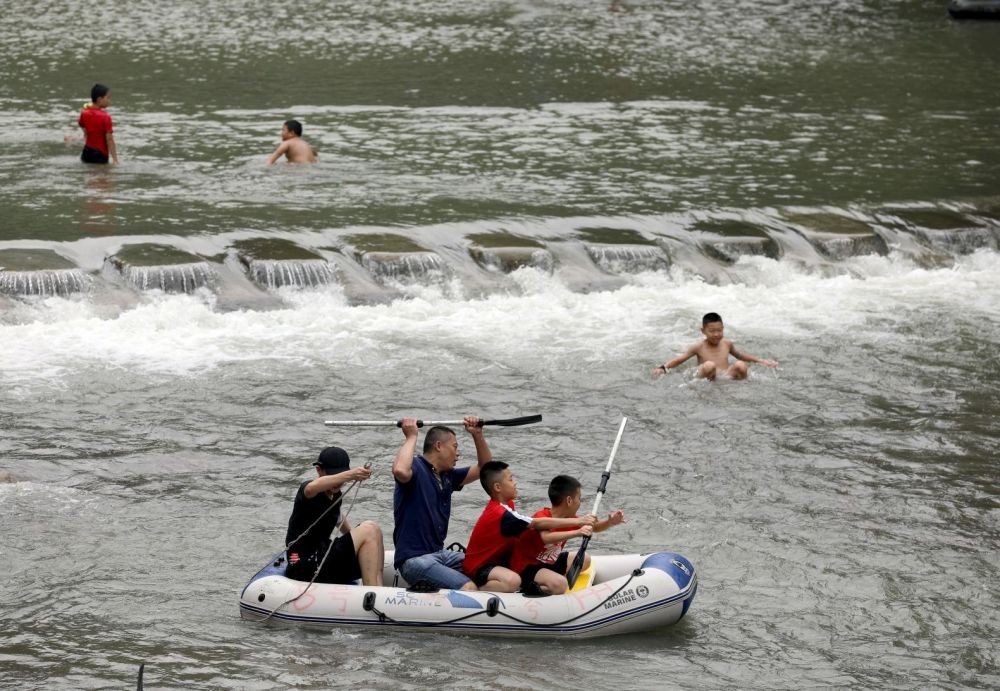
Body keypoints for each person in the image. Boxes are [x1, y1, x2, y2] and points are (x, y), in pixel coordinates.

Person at [391, 416, 493, 591]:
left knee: (493, 569)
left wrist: (477, 434)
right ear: (438, 446)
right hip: (415, 560)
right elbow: (399, 470)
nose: (458, 453)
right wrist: (411, 436)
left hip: (441, 555)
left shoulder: (448, 476)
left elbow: (485, 468)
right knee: (468, 588)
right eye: (455, 447)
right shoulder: (415, 467)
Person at [462, 462, 597, 593]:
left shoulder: (508, 505)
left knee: (583, 559)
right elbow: (538, 523)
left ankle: (538, 580)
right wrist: (579, 523)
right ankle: (476, 590)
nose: (515, 482)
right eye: (510, 479)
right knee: (513, 581)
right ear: (498, 487)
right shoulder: (501, 513)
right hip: (479, 567)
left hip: (501, 562)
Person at [284, 446, 384, 586]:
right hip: (304, 563)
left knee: (374, 529)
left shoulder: (335, 496)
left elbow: (339, 519)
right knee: (369, 529)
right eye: (333, 475)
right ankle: (372, 593)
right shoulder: (309, 490)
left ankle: (379, 591)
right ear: (319, 470)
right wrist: (351, 475)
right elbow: (312, 488)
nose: (338, 482)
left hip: (323, 556)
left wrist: (360, 543)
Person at [510, 474, 625, 595]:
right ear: (569, 500)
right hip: (526, 567)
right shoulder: (542, 516)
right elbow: (546, 538)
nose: (580, 502)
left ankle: (549, 579)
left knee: (585, 559)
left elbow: (594, 527)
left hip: (548, 564)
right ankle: (529, 589)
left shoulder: (570, 518)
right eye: (579, 498)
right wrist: (577, 532)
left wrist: (610, 522)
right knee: (561, 585)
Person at [651, 312, 778, 380]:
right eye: (712, 331)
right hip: (709, 376)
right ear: (703, 331)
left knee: (741, 365)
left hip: (726, 376)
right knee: (709, 365)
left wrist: (762, 361)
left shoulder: (726, 343)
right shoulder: (699, 347)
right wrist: (663, 368)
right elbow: (680, 359)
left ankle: (741, 385)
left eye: (719, 330)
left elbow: (741, 355)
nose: (716, 334)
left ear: (723, 328)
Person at [78, 83, 118, 165]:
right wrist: (115, 159)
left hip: (86, 152)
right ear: (100, 99)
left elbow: (83, 127)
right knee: (102, 176)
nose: (109, 100)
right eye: (108, 98)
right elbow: (109, 139)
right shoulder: (106, 117)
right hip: (100, 154)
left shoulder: (84, 113)